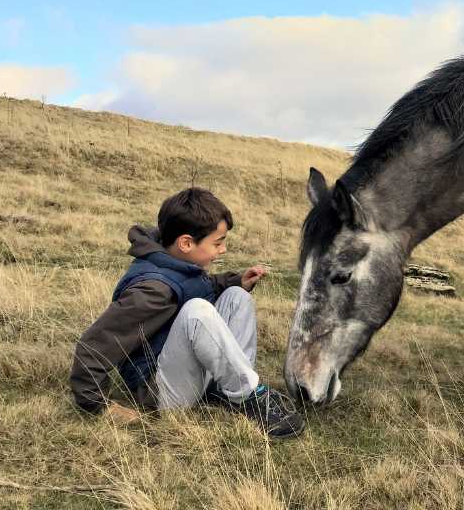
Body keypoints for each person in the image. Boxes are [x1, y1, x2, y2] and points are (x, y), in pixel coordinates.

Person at [69, 187, 304, 438]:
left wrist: (236, 281)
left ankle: (231, 392)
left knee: (237, 297)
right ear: (186, 243)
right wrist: (98, 405)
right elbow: (94, 345)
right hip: (160, 393)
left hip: (183, 373)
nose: (223, 249)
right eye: (217, 243)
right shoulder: (152, 290)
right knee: (197, 311)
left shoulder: (175, 262)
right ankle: (249, 395)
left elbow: (196, 287)